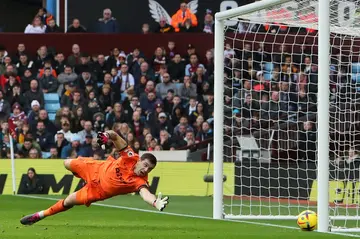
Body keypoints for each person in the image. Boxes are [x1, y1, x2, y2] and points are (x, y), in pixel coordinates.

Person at [20, 130, 169, 225]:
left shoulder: (140, 181)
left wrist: (155, 202)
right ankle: (82, 176)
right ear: (139, 160)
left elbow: (145, 194)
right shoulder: (130, 156)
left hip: (97, 191)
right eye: (145, 165)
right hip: (96, 169)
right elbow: (115, 136)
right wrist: (106, 136)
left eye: (149, 168)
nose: (145, 169)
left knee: (68, 201)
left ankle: (39, 216)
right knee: (67, 163)